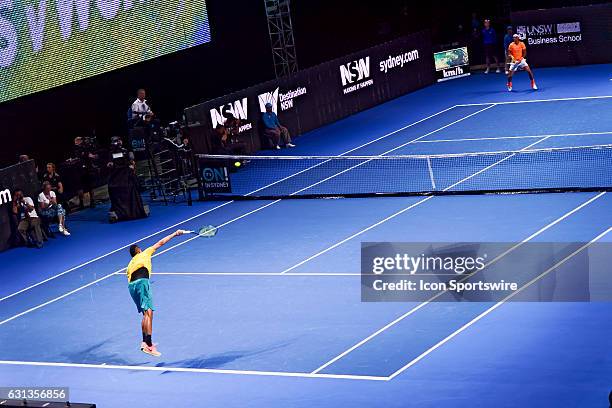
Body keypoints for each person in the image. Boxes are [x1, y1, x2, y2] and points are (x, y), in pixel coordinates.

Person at [126, 230, 186, 357]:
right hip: (142, 282)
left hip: (131, 286)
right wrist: (175, 234)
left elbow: (130, 278)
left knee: (145, 313)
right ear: (139, 250)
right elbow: (161, 242)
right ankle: (149, 344)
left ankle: (144, 342)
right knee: (149, 312)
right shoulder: (145, 253)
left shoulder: (130, 264)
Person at [73, 137, 99, 209]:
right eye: (75, 140)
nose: (75, 142)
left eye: (77, 140)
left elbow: (91, 156)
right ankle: (82, 203)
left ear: (80, 141)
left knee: (90, 186)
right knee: (80, 187)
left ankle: (92, 201)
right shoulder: (76, 149)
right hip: (79, 170)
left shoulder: (85, 147)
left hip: (87, 169)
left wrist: (92, 156)